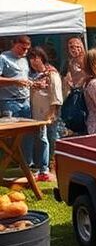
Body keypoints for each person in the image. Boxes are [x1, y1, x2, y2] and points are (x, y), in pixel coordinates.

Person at [26, 48, 61, 181]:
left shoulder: (52, 74)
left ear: (42, 57)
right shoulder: (33, 75)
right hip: (35, 113)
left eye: (36, 58)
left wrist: (51, 113)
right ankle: (39, 166)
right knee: (39, 139)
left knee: (49, 139)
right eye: (31, 59)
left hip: (48, 114)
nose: (33, 61)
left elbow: (56, 95)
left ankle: (47, 168)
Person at [0, 36, 34, 120]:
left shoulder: (24, 59)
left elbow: (24, 77)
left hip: (25, 100)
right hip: (9, 101)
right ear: (15, 45)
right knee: (12, 131)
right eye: (23, 48)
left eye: (27, 49)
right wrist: (16, 82)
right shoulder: (3, 57)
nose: (25, 51)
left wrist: (34, 82)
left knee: (27, 130)